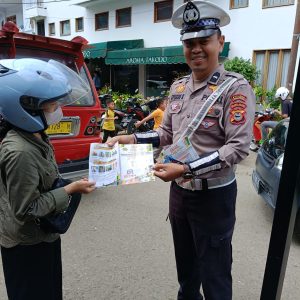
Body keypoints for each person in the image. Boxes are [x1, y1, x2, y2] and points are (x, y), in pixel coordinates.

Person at [107, 1, 255, 299]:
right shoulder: (178, 87)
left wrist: (186, 169)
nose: (196, 49)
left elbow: (238, 148)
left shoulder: (235, 88)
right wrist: (130, 139)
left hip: (214, 197)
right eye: (189, 43)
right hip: (180, 194)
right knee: (187, 272)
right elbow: (166, 134)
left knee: (214, 275)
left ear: (220, 42)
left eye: (204, 41)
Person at [0, 58, 96, 300]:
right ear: (25, 109)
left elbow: (45, 180)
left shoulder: (36, 135)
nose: (58, 111)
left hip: (44, 234)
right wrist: (71, 189)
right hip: (26, 243)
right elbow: (27, 208)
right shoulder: (20, 151)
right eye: (52, 105)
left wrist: (68, 185)